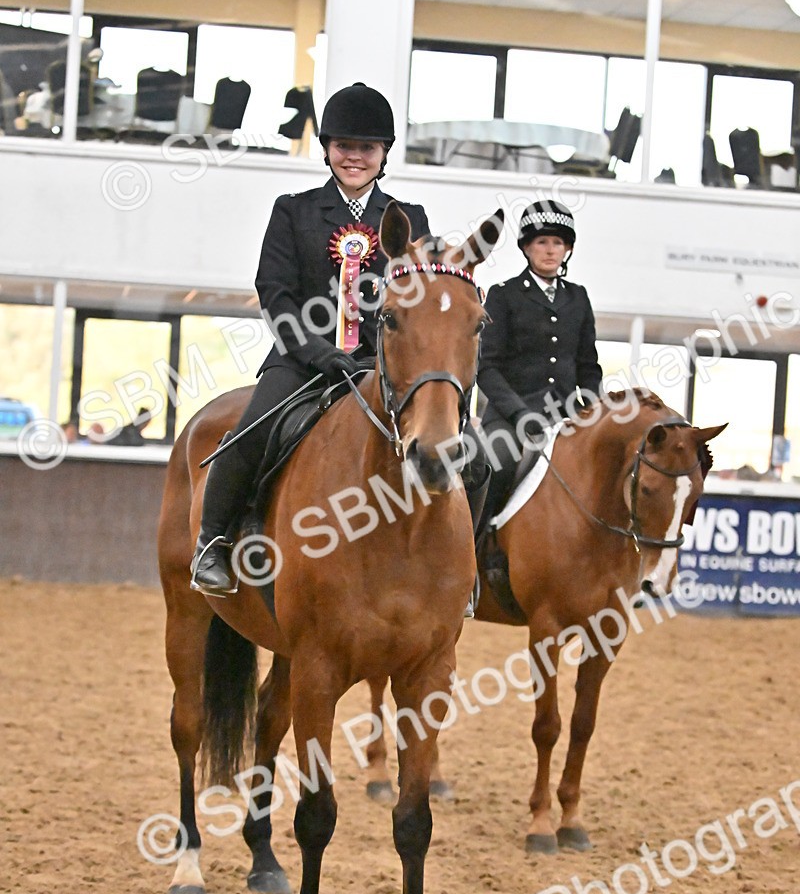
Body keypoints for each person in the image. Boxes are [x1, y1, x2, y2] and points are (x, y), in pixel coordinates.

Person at [191, 82, 433, 596]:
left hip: (380, 364)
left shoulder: (408, 218)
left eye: (366, 148)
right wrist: (317, 352)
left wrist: (386, 359)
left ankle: (461, 559)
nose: (354, 157)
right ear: (326, 148)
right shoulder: (293, 211)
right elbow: (274, 292)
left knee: (451, 440)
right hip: (301, 361)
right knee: (252, 428)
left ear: (383, 153)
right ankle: (213, 542)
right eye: (344, 146)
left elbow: (419, 301)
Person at [476, 200, 602, 526]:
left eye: (557, 243)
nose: (550, 250)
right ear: (527, 247)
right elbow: (486, 368)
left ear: (567, 249)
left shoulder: (579, 297)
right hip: (510, 420)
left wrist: (588, 410)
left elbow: (588, 366)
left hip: (566, 417)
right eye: (542, 242)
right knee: (496, 464)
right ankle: (476, 545)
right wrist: (519, 413)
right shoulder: (504, 295)